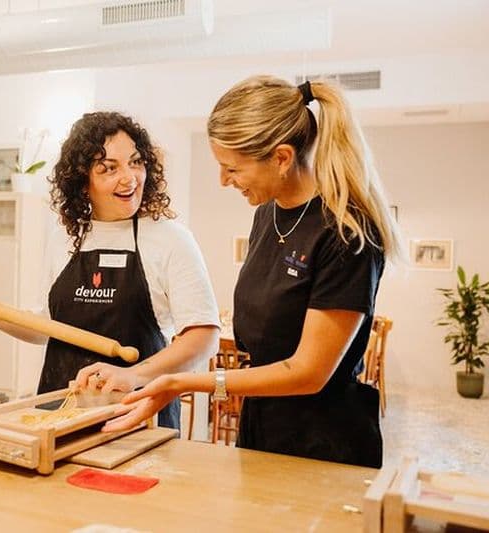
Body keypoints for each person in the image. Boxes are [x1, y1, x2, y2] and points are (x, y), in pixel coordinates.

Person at [102, 77, 403, 468]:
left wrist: (182, 381)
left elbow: (308, 372)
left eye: (232, 169)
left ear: (281, 157)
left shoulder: (345, 233)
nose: (224, 181)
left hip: (325, 443)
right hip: (261, 426)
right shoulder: (267, 215)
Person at [0, 112, 220, 429]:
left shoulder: (170, 238)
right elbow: (49, 327)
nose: (129, 177)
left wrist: (132, 375)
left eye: (136, 162)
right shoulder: (65, 238)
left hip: (137, 415)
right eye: (109, 168)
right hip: (61, 412)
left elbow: (204, 337)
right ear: (83, 182)